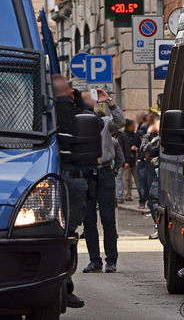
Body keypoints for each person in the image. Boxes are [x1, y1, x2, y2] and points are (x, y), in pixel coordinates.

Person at [52, 75, 101, 309]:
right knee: (67, 237)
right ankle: (65, 288)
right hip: (71, 181)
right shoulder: (77, 115)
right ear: (71, 94)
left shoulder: (41, 116)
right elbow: (97, 123)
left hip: (41, 181)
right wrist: (80, 103)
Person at [80, 88, 125, 274]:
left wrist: (110, 101)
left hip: (105, 172)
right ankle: (94, 260)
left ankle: (111, 261)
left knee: (108, 219)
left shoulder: (106, 123)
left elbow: (120, 122)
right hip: (87, 173)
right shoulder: (78, 124)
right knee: (89, 220)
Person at [122, 119, 139, 202]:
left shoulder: (135, 135)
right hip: (126, 160)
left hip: (134, 160)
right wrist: (125, 161)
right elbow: (123, 148)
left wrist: (136, 149)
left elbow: (139, 144)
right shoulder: (123, 135)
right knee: (126, 178)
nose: (134, 127)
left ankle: (140, 193)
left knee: (137, 178)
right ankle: (127, 194)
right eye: (132, 126)